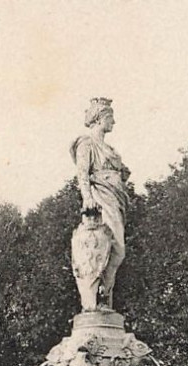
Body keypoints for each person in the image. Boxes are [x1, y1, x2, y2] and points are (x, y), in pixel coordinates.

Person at [70, 98, 130, 307]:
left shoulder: (109, 148)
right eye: (110, 117)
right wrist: (87, 197)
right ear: (99, 118)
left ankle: (106, 295)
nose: (114, 122)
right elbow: (82, 173)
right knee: (106, 248)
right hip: (100, 198)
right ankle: (97, 297)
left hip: (115, 199)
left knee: (117, 250)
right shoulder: (87, 144)